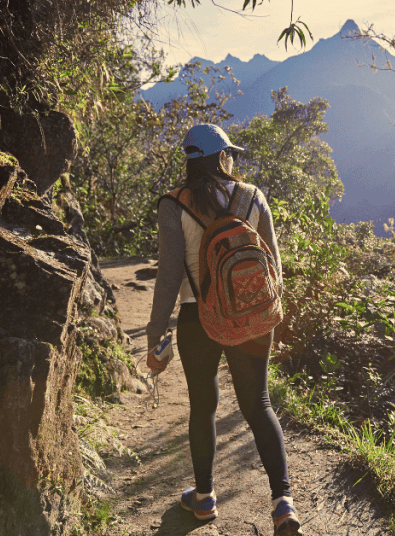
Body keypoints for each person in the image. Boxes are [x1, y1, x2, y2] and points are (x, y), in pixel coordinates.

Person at [145, 123, 301, 535]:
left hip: (199, 319)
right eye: (228, 153)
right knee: (259, 404)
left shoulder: (173, 204)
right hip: (252, 314)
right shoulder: (252, 197)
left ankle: (204, 498)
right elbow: (274, 265)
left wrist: (155, 336)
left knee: (203, 405)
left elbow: (168, 277)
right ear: (221, 156)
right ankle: (283, 504)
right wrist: (271, 315)